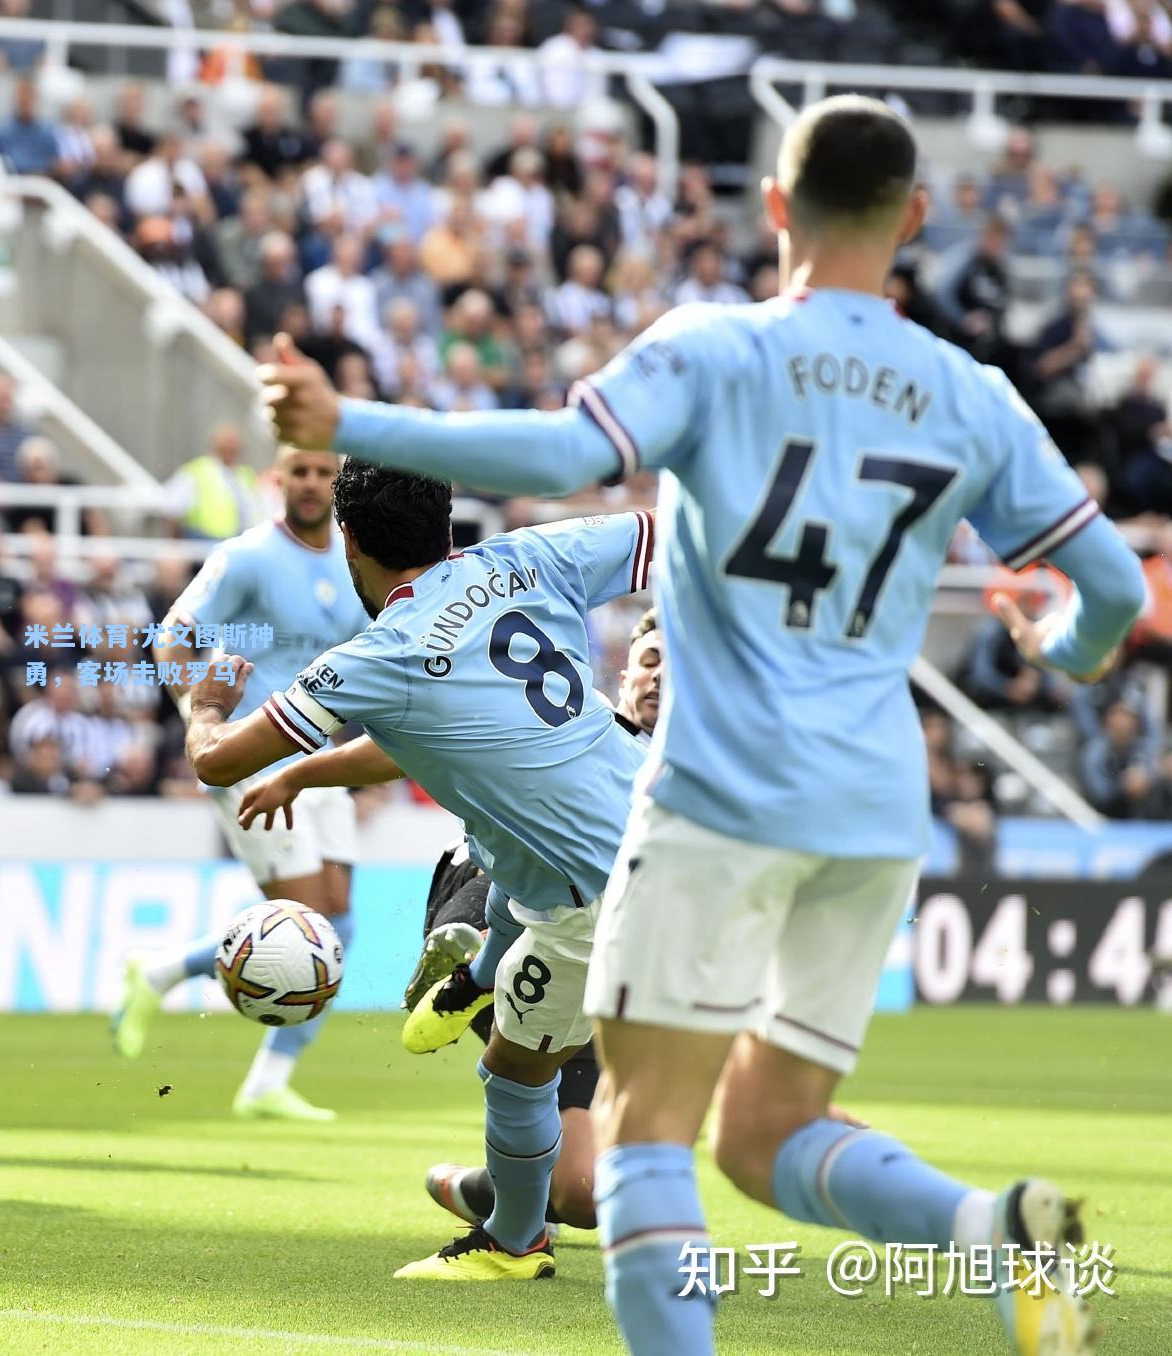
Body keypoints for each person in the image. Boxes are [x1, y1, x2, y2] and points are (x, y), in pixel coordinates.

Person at [262, 96, 1141, 1355]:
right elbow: (1108, 593)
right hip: (878, 806)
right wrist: (1053, 644)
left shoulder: (711, 351)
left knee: (647, 1138)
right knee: (769, 1130)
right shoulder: (970, 393)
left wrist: (351, 424)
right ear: (915, 218)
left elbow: (555, 446)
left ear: (773, 207)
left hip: (717, 790)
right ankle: (991, 1230)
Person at [188, 460, 654, 1279]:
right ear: (446, 523)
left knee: (513, 1073)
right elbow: (659, 536)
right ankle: (477, 973)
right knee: (508, 845)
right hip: (665, 830)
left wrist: (200, 706)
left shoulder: (378, 654)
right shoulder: (525, 557)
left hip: (601, 897)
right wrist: (304, 772)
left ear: (351, 540)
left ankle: (512, 1245)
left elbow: (219, 763)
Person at [109, 445, 367, 1121]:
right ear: (278, 480)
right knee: (307, 920)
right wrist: (200, 726)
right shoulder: (246, 556)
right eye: (299, 473)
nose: (312, 484)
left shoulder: (351, 560)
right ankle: (173, 981)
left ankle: (184, 995)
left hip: (320, 756)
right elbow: (173, 637)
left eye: (324, 474)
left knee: (340, 919)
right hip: (252, 753)